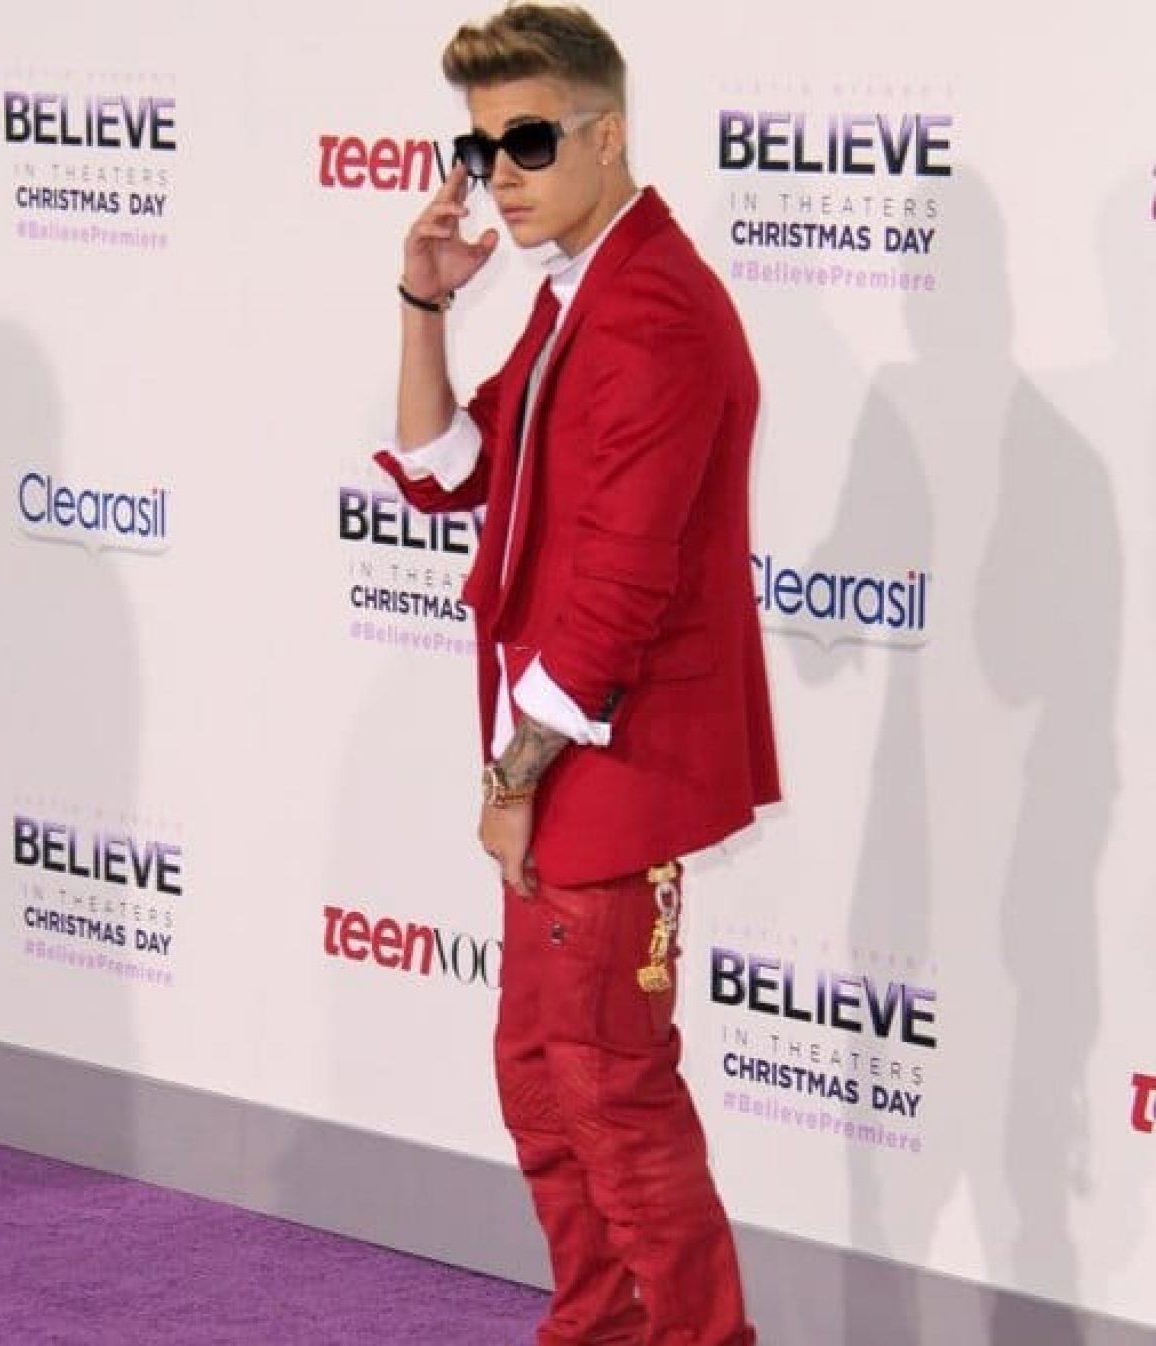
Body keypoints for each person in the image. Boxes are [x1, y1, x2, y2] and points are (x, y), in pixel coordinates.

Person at [374, 5, 780, 1341]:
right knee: (544, 1085)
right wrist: (426, 301)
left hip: (610, 766)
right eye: (482, 149)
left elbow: (618, 593)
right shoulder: (576, 292)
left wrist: (512, 783)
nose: (501, 175)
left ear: (609, 136)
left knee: (611, 1092)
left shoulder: (653, 310)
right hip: (562, 769)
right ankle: (595, 1327)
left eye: (531, 141)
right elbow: (449, 468)